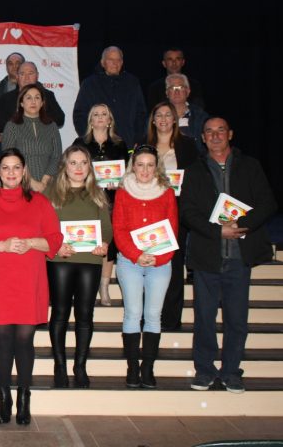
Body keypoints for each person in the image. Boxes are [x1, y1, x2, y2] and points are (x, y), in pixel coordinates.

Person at [0, 148, 62, 426]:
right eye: (5, 168)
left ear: (24, 171)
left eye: (16, 167)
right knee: (3, 340)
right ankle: (4, 397)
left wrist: (31, 242)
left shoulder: (40, 202)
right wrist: (5, 245)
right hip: (0, 282)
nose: (10, 173)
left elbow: (54, 240)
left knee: (24, 340)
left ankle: (23, 398)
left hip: (29, 280)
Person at [181, 117, 276, 394]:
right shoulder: (194, 170)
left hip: (239, 257)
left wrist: (240, 225)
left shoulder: (250, 166)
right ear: (202, 138)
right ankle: (205, 371)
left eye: (220, 130)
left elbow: (268, 203)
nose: (215, 136)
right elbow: (187, 212)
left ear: (230, 134)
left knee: (236, 319)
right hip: (206, 256)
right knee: (204, 318)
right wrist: (217, 230)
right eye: (209, 132)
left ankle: (232, 372)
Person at [45, 146, 111, 388]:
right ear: (65, 165)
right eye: (73, 162)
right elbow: (44, 226)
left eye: (83, 162)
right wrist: (55, 246)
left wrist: (103, 243)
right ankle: (60, 365)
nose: (79, 167)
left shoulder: (97, 192)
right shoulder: (52, 192)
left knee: (85, 315)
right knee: (60, 313)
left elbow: (106, 227)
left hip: (90, 261)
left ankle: (80, 366)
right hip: (60, 259)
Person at [113, 145, 177, 389]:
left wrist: (158, 258)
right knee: (132, 313)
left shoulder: (167, 193)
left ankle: (147, 368)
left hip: (160, 263)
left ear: (157, 167)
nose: (145, 170)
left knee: (152, 315)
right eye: (140, 164)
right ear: (133, 166)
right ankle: (132, 368)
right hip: (130, 261)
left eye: (150, 165)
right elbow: (118, 229)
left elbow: (172, 228)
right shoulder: (123, 192)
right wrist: (136, 255)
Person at [147, 102, 199, 331]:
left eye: (168, 114)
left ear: (175, 119)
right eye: (159, 115)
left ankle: (170, 319)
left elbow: (197, 177)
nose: (164, 118)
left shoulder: (187, 145)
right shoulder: (144, 145)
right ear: (153, 120)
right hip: (147, 213)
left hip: (177, 212)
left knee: (174, 266)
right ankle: (147, 318)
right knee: (148, 267)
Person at [72, 103, 129, 306]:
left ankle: (104, 286)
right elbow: (70, 167)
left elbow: (127, 172)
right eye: (95, 114)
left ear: (110, 119)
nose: (100, 117)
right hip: (86, 198)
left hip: (112, 200)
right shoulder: (80, 142)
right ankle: (83, 284)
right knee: (87, 238)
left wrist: (119, 182)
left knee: (108, 242)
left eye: (104, 114)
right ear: (90, 120)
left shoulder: (120, 144)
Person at [73, 46, 147, 147]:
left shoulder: (132, 83)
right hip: (98, 146)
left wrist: (138, 139)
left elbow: (141, 114)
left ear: (122, 62)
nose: (115, 63)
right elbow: (80, 115)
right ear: (103, 62)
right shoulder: (90, 84)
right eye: (110, 60)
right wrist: (89, 140)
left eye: (118, 60)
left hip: (128, 144)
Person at [2, 84, 62, 192]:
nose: (33, 101)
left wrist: (44, 180)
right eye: (29, 98)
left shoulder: (52, 126)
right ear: (21, 103)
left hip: (49, 184)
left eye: (37, 97)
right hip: (21, 184)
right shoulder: (12, 126)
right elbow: (9, 158)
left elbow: (56, 156)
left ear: (42, 103)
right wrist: (30, 181)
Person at [0, 61, 65, 138]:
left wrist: (36, 121)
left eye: (30, 73)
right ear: (17, 76)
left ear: (37, 75)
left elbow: (60, 119)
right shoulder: (6, 98)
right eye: (22, 74)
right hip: (14, 142)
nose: (26, 78)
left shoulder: (47, 95)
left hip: (42, 140)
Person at [165, 73, 209, 146]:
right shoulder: (156, 117)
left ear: (188, 92)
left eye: (181, 87)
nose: (176, 92)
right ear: (167, 93)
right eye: (172, 88)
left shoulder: (200, 116)